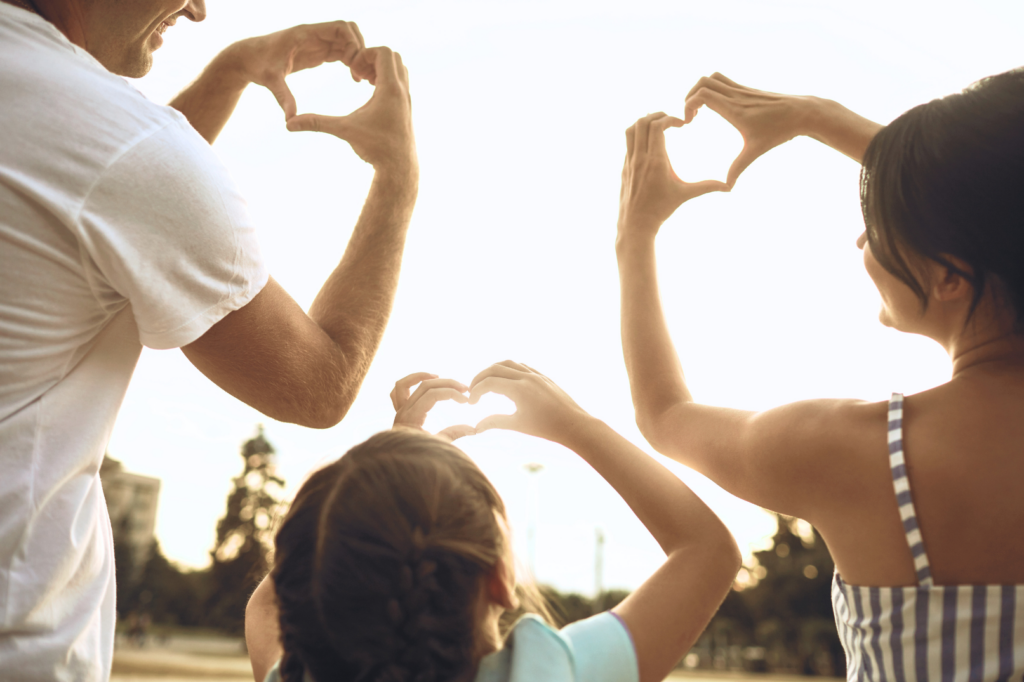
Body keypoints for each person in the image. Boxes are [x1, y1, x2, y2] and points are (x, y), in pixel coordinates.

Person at [0, 0, 418, 678]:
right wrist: (397, 179)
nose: (197, 9)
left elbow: (102, 197)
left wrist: (233, 70)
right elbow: (319, 386)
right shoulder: (121, 146)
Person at [616, 70, 1024, 681]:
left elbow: (664, 414)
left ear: (949, 278)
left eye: (883, 221)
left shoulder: (862, 452)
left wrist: (634, 237)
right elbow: (993, 197)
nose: (862, 235)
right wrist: (818, 117)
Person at [244, 365, 741, 682]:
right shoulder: (551, 675)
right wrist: (576, 427)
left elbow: (267, 605)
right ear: (500, 580)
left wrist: (380, 473)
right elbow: (708, 550)